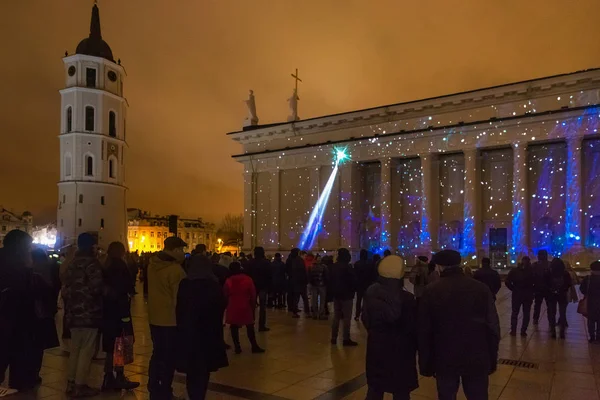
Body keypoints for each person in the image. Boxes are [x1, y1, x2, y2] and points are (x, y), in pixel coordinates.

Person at [418, 250, 500, 400]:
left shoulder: (431, 291)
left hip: (444, 357)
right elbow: (493, 326)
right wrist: (492, 358)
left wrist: (426, 364)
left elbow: (424, 331)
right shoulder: (481, 289)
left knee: (446, 395)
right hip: (477, 355)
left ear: (440, 267)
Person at [362, 255, 418, 400]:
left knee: (375, 389)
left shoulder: (371, 292)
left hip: (377, 348)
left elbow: (366, 320)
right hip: (402, 352)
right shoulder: (407, 299)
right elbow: (413, 329)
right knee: (401, 391)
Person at [176, 254, 228, 399]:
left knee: (192, 370)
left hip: (189, 333)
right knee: (204, 370)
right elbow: (221, 305)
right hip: (208, 334)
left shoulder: (185, 284)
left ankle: (193, 395)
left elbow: (179, 308)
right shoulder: (213, 285)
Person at [62, 233, 104, 397]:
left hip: (73, 313)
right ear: (92, 246)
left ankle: (71, 383)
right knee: (86, 350)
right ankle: (80, 385)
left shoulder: (72, 263)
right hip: (88, 313)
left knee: (75, 350)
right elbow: (96, 287)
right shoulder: (92, 264)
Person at [147, 236, 188, 400]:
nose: (184, 253)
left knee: (157, 353)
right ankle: (165, 390)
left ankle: (153, 385)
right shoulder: (175, 270)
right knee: (169, 357)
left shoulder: (152, 265)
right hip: (170, 319)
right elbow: (180, 298)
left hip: (154, 316)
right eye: (182, 250)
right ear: (176, 250)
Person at [0, 230, 36, 392]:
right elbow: (22, 289)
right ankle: (17, 383)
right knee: (10, 349)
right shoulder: (17, 264)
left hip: (11, 314)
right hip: (12, 314)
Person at [101, 242, 139, 391]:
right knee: (121, 344)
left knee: (111, 346)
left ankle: (108, 377)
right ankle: (120, 376)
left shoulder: (105, 265)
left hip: (108, 311)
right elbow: (127, 286)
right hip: (120, 310)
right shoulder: (120, 266)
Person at [31, 249, 60, 385]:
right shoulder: (49, 270)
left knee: (31, 345)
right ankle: (35, 373)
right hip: (43, 315)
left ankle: (30, 373)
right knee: (38, 347)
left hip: (33, 315)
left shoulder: (29, 271)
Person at [224, 262, 265, 354]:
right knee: (249, 326)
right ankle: (254, 346)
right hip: (245, 305)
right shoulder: (247, 279)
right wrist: (253, 305)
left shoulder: (229, 280)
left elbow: (225, 294)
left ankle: (237, 347)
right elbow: (253, 294)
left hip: (233, 305)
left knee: (233, 326)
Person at [330, 248, 358, 346]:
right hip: (347, 295)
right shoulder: (348, 267)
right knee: (346, 318)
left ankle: (333, 337)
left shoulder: (334, 266)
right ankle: (346, 339)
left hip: (336, 294)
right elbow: (353, 281)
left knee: (336, 317)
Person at [505, 256, 535, 336]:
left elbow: (507, 281)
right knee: (526, 313)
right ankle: (523, 331)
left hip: (517, 294)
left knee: (515, 312)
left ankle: (513, 330)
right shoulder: (531, 272)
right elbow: (535, 284)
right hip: (528, 295)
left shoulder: (514, 271)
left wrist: (513, 289)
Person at [245, 247, 271, 331]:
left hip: (252, 286)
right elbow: (269, 276)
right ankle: (261, 325)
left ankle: (250, 323)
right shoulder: (266, 263)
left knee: (251, 306)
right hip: (263, 286)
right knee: (262, 307)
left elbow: (247, 274)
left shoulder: (250, 262)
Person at [545, 258, 572, 339]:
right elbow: (568, 284)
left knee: (552, 313)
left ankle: (553, 331)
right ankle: (562, 332)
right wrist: (562, 290)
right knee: (562, 314)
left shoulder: (548, 273)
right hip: (562, 295)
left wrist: (551, 290)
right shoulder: (565, 273)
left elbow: (545, 284)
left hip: (551, 295)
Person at [580, 261, 600, 342]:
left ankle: (592, 336)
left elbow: (582, 289)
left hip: (590, 302)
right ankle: (599, 337)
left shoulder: (588, 279)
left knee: (591, 320)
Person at [354, 249, 376, 321]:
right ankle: (366, 315)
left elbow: (355, 275)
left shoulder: (357, 264)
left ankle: (357, 315)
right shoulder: (370, 263)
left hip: (359, 285)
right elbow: (372, 275)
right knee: (366, 301)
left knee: (358, 301)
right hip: (367, 285)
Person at [288, 248, 310, 318]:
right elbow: (303, 273)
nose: (305, 258)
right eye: (305, 256)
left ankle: (294, 312)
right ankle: (307, 312)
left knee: (296, 298)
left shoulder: (294, 261)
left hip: (296, 282)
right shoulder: (300, 261)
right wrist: (306, 281)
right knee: (305, 298)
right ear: (301, 255)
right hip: (301, 283)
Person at [532, 250, 551, 325]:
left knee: (537, 305)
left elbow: (531, 277)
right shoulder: (550, 265)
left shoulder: (535, 265)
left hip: (538, 288)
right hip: (548, 289)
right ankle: (550, 319)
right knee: (549, 306)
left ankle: (535, 319)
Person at [309, 255, 329, 320]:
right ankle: (321, 314)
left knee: (314, 300)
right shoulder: (324, 267)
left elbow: (309, 276)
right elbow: (326, 276)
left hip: (314, 285)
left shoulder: (311, 267)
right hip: (322, 285)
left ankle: (314, 314)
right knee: (322, 301)